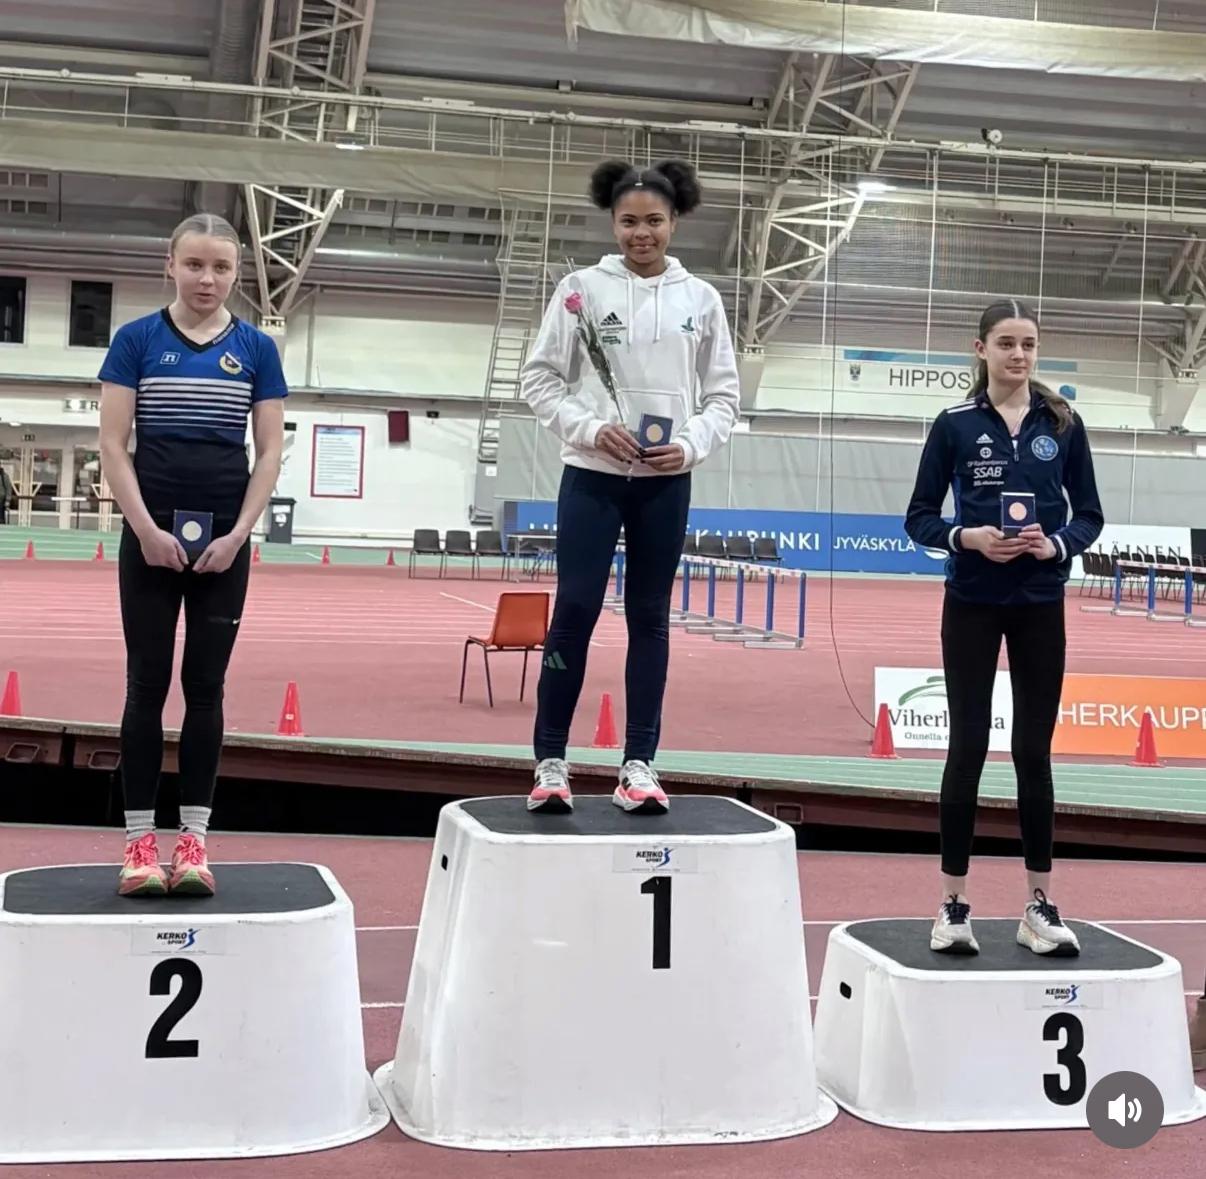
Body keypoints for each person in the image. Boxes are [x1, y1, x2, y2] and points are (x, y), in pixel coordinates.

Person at [520, 158, 740, 815]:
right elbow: (539, 380)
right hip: (592, 478)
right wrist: (590, 429)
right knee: (575, 609)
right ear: (612, 223)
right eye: (628, 222)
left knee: (649, 617)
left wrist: (690, 445)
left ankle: (639, 765)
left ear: (676, 223)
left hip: (664, 484)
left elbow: (724, 398)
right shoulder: (580, 290)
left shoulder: (701, 300)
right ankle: (550, 762)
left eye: (654, 221)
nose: (641, 233)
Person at [904, 298, 1104, 956]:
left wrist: (1057, 544)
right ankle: (953, 905)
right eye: (1007, 343)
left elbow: (1090, 514)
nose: (1019, 354)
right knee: (966, 749)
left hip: (1040, 601)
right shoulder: (954, 424)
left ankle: (1039, 906)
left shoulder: (1063, 422)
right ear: (981, 349)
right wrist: (968, 537)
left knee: (1032, 754)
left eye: (1029, 344)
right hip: (971, 601)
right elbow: (919, 517)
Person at [98, 212, 287, 897]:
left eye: (222, 267)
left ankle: (194, 842)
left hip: (224, 548)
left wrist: (238, 535)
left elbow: (269, 452)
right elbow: (113, 443)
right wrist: (145, 528)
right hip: (148, 540)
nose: (208, 279)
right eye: (195, 264)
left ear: (237, 274)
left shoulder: (257, 349)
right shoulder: (136, 340)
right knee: (146, 686)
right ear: (170, 265)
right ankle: (139, 844)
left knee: (206, 689)